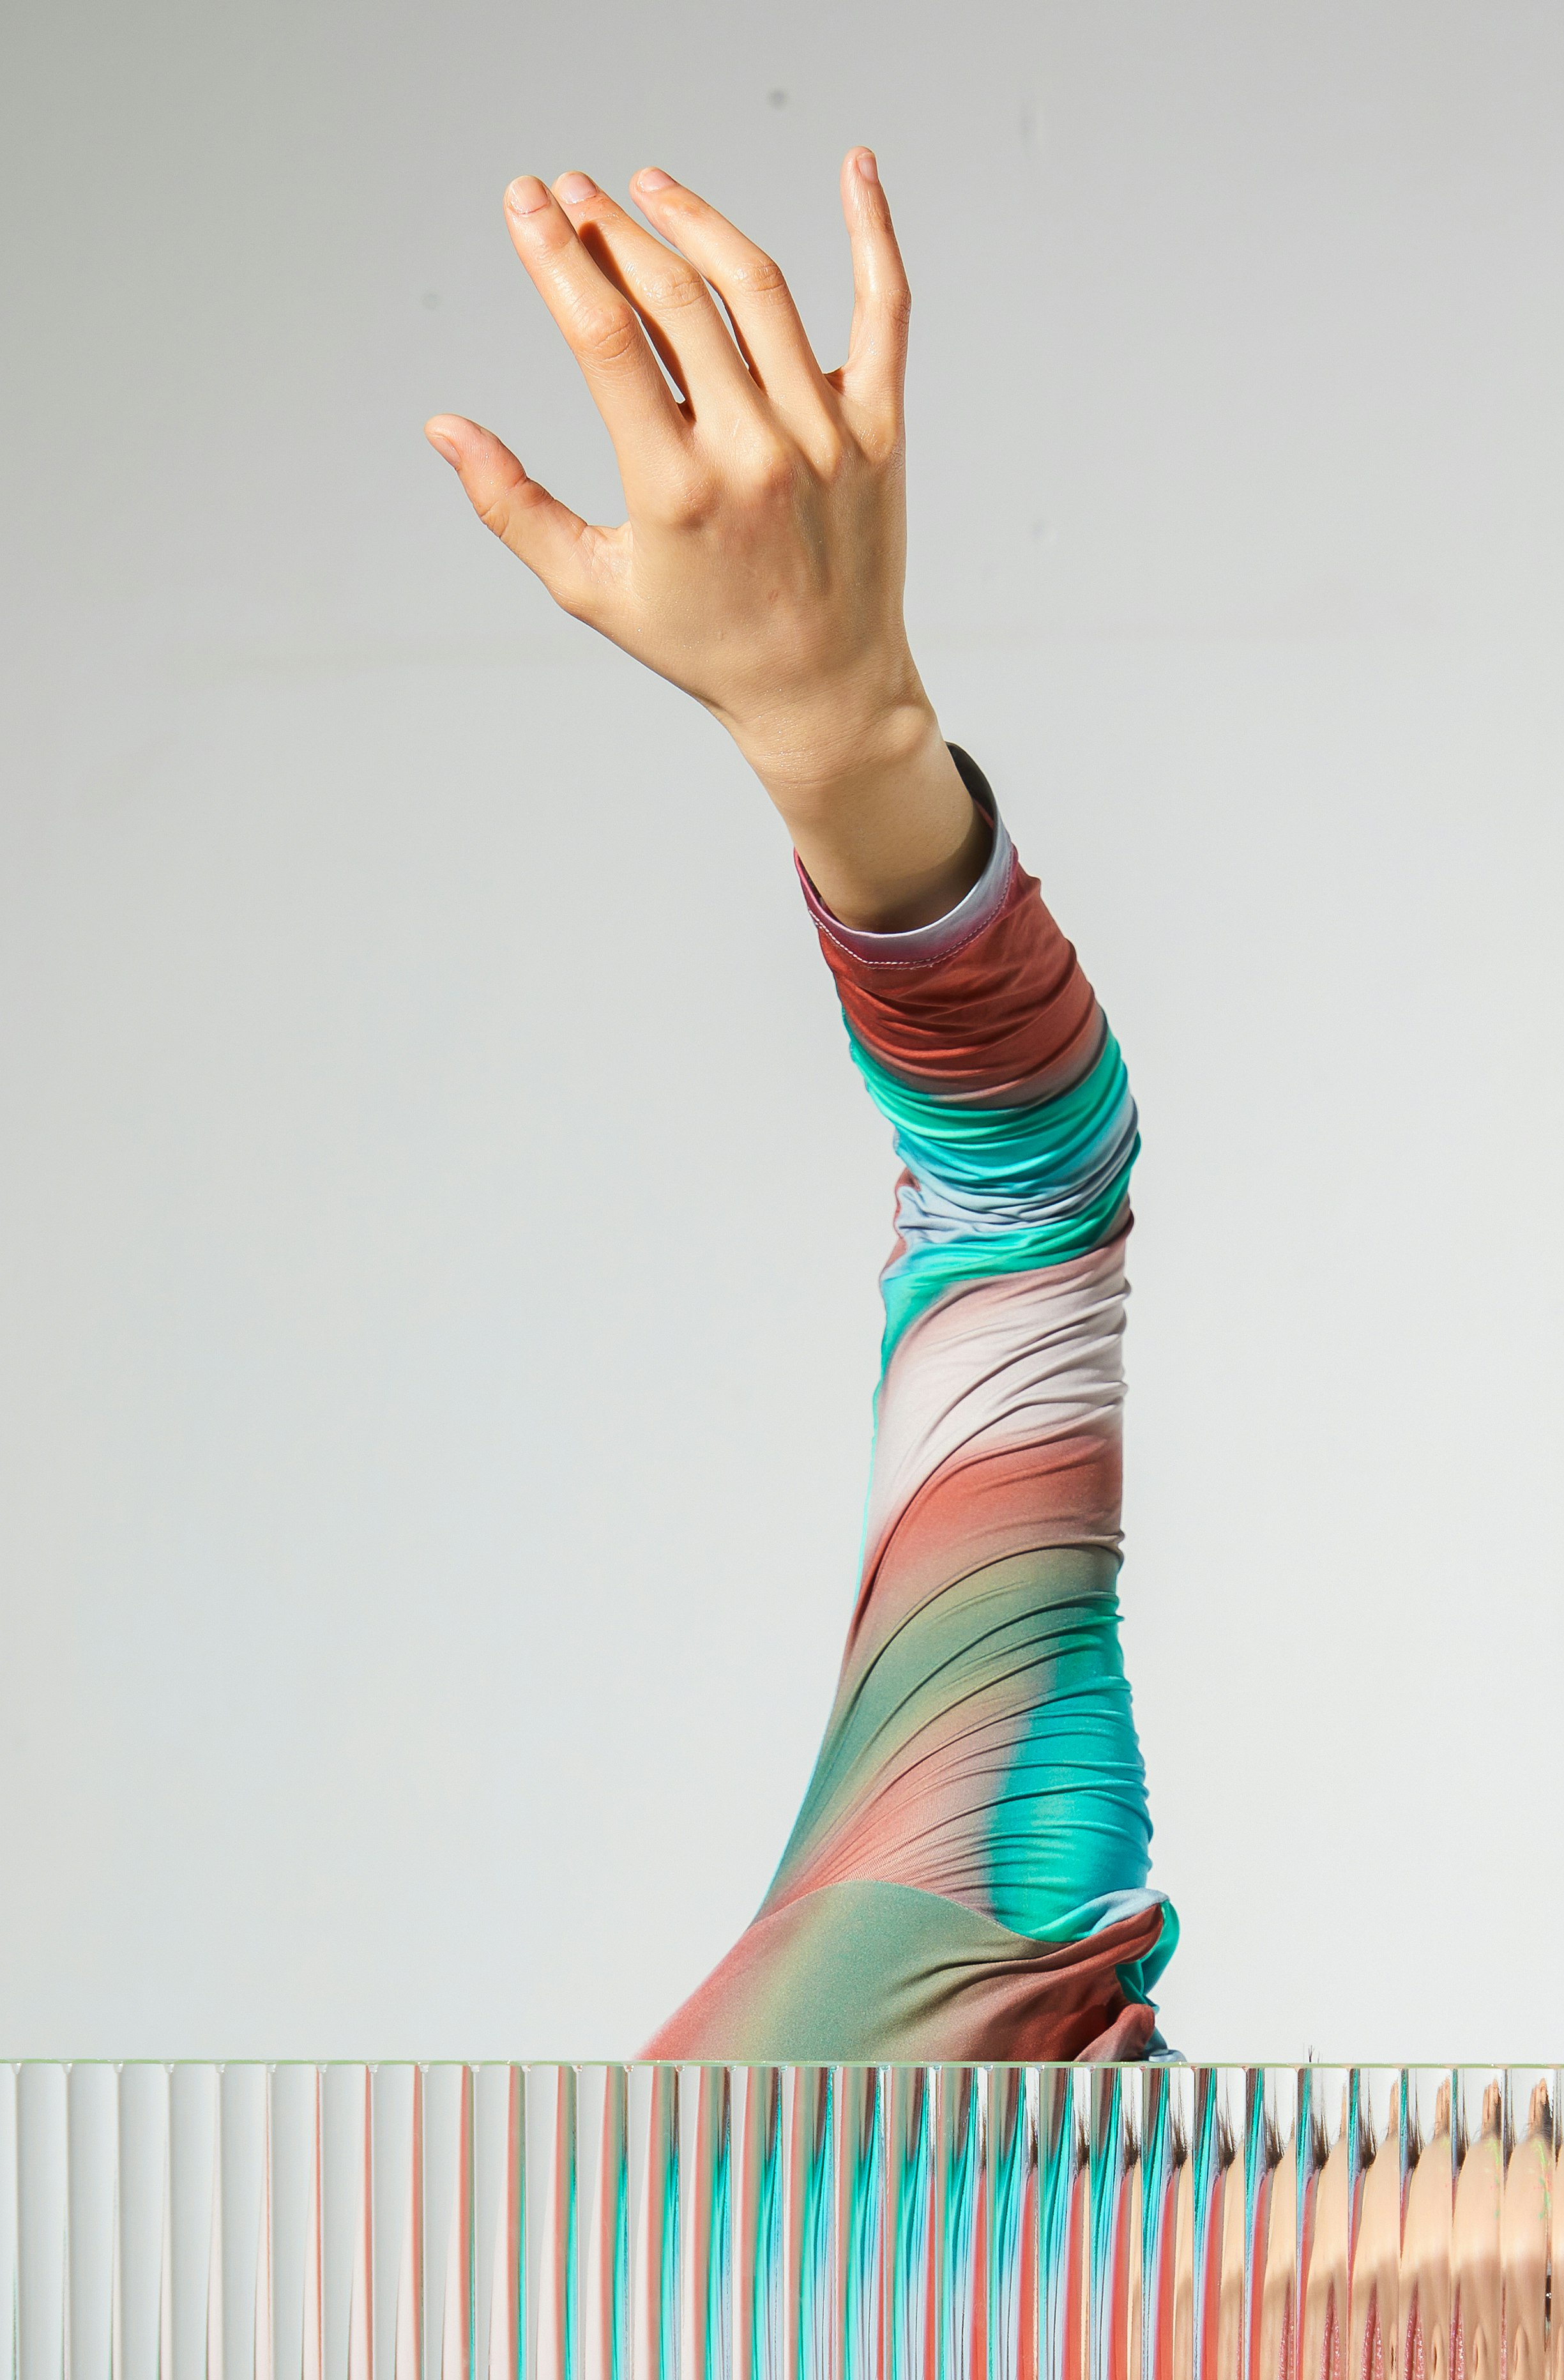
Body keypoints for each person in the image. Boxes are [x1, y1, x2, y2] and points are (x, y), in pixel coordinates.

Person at [429, 153, 1176, 2066]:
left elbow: (1019, 1197)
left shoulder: (926, 2002)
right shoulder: (962, 1971)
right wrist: (853, 747)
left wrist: (847, 746)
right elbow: (1019, 1188)